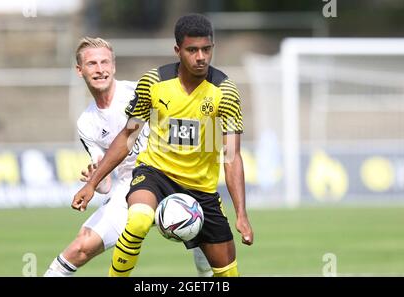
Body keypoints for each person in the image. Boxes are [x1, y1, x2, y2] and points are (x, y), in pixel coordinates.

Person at [72, 14, 254, 277]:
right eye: (192, 50)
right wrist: (92, 183)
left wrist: (241, 213)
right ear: (178, 50)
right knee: (138, 220)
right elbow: (128, 136)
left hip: (201, 188)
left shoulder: (224, 91)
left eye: (207, 49)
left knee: (227, 274)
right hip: (155, 174)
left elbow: (231, 156)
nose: (201, 56)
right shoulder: (154, 83)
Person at [44, 36, 212, 277]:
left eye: (105, 62)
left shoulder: (139, 91)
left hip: (174, 176)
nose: (100, 70)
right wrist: (96, 179)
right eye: (92, 64)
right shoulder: (86, 123)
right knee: (80, 247)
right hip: (129, 189)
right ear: (79, 70)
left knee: (208, 246)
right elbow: (105, 182)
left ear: (114, 66)